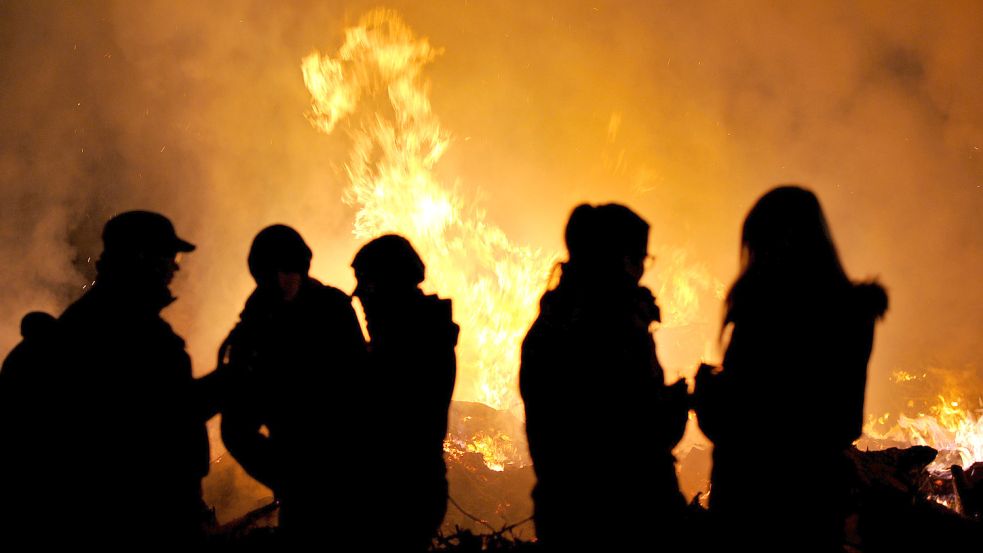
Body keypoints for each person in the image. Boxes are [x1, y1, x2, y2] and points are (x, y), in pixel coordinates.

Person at [0, 210, 219, 547]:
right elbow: (161, 418)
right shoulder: (123, 330)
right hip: (139, 522)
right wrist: (231, 380)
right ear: (141, 258)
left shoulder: (98, 318)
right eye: (168, 258)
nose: (174, 268)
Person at [693, 186, 888, 552]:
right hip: (814, 507)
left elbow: (741, 421)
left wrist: (708, 394)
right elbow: (845, 421)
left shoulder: (762, 313)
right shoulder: (851, 314)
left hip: (749, 505)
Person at [519, 203, 689, 552]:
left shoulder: (550, 324)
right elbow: (633, 435)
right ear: (618, 258)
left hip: (564, 513)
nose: (642, 270)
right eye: (639, 258)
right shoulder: (614, 327)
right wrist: (678, 405)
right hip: (630, 518)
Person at [219, 224, 367, 546]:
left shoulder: (334, 312)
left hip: (347, 473)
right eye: (267, 274)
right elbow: (237, 427)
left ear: (300, 268)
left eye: (284, 271)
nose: (276, 281)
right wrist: (286, 477)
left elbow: (362, 390)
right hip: (298, 479)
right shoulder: (254, 326)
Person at [351, 234, 458, 552]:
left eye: (367, 287)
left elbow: (379, 417)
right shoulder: (412, 336)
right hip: (409, 490)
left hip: (400, 495)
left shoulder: (412, 346)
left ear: (389, 285)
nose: (361, 299)